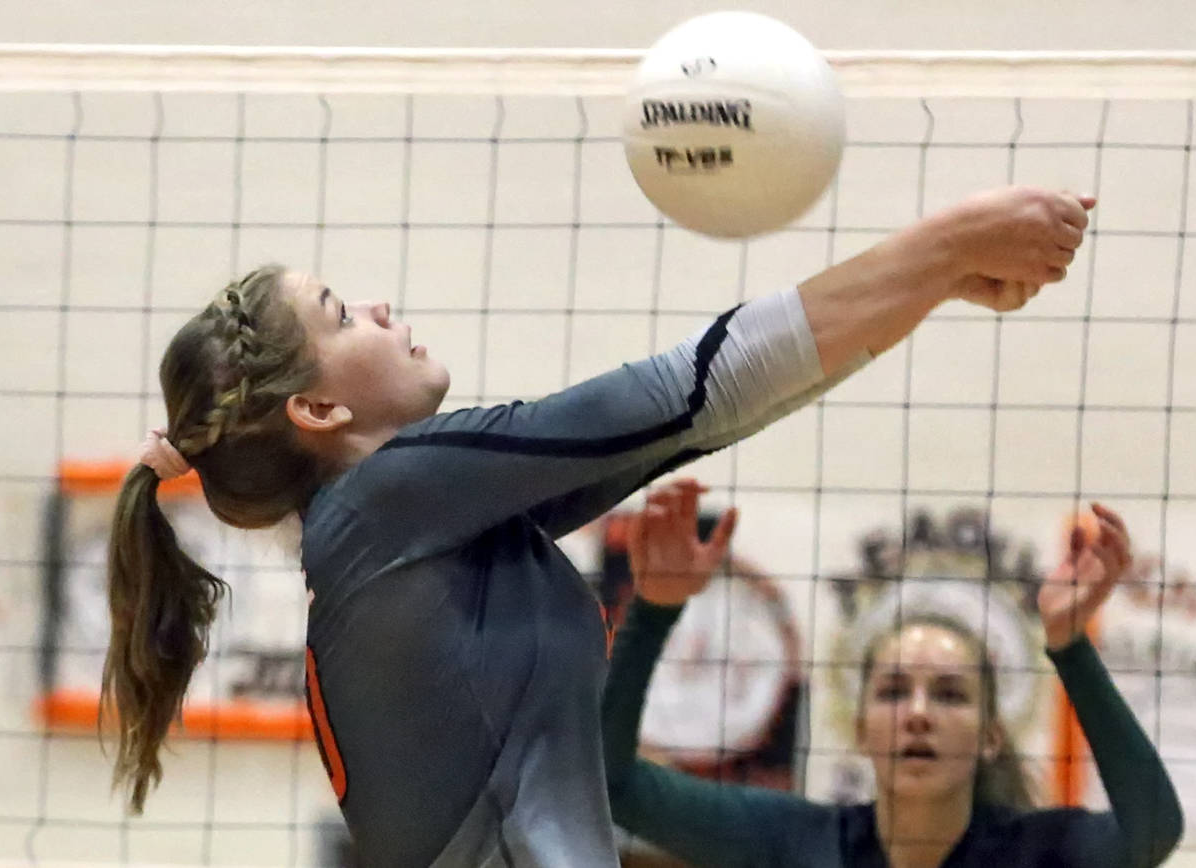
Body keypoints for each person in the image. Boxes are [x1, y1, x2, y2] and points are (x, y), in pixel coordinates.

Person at [101, 186, 1093, 868]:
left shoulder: (406, 526)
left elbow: (699, 417)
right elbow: (685, 389)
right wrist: (945, 244)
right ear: (316, 413)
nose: (379, 306)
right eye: (339, 312)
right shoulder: (386, 497)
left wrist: (928, 287)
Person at [604, 480, 1184, 867]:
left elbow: (1153, 829)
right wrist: (654, 610)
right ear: (860, 729)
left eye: (951, 695)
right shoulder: (801, 842)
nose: (919, 713)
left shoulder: (1034, 850)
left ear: (991, 736)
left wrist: (1071, 648)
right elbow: (611, 785)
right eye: (893, 691)